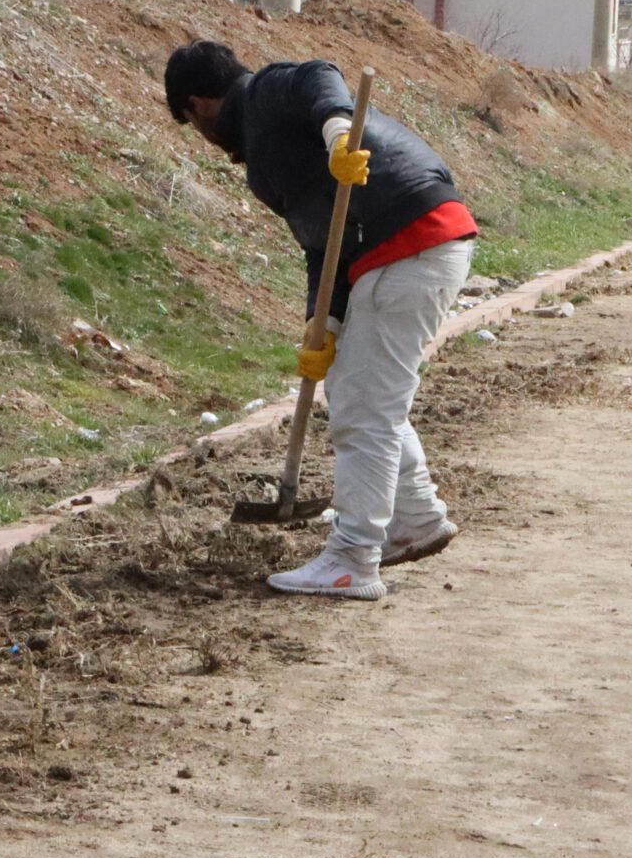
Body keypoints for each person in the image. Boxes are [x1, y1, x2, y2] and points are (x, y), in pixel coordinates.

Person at [165, 40, 476, 599]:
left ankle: (353, 558)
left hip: (408, 239)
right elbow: (320, 239)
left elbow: (319, 78)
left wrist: (338, 132)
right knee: (359, 392)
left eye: (191, 125)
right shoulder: (268, 155)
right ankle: (416, 519)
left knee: (366, 410)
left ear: (197, 105)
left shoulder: (263, 93)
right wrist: (323, 322)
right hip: (409, 242)